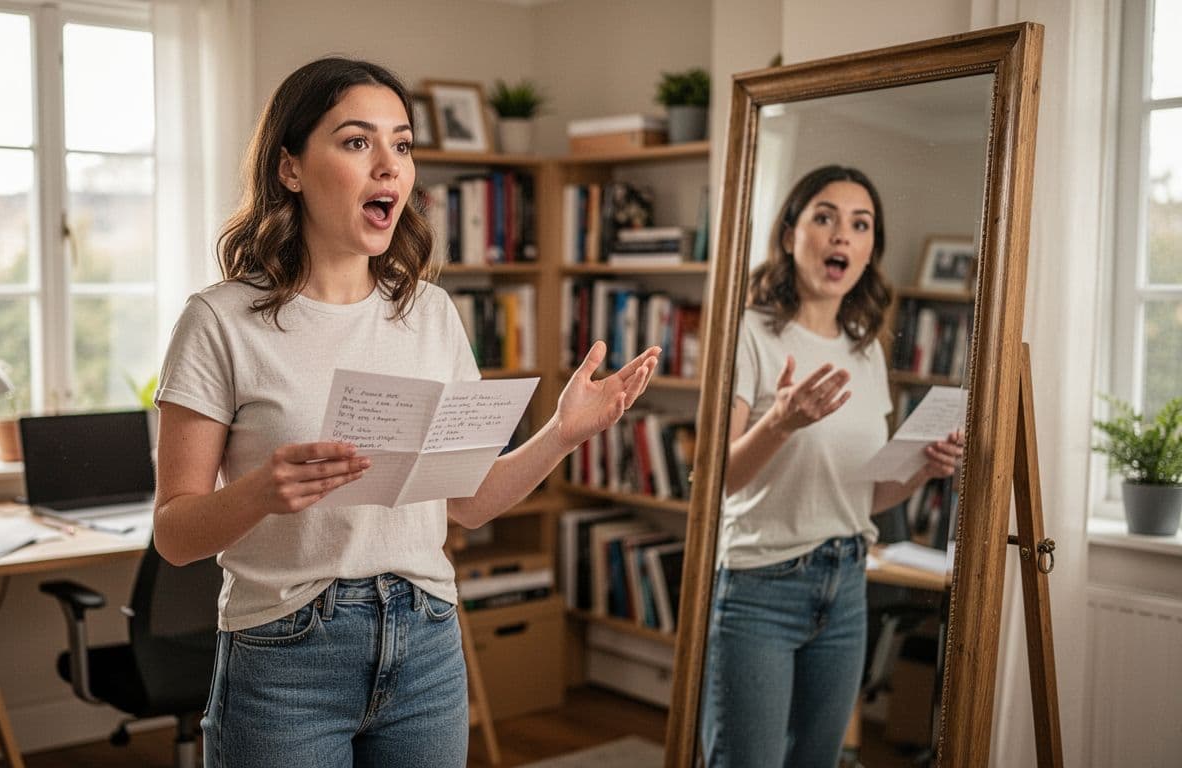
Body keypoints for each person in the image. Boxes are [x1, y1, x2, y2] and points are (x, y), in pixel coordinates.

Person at [151, 56, 660, 768]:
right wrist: (262, 491)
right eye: (358, 142)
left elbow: (471, 504)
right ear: (290, 168)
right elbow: (175, 534)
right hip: (284, 657)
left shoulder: (429, 313)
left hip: (425, 641)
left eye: (403, 143)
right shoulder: (219, 320)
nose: (389, 165)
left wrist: (564, 432)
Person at [697, 165, 963, 767]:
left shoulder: (865, 350)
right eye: (825, 217)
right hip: (758, 588)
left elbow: (861, 497)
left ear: (870, 252)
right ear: (791, 234)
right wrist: (781, 423)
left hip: (847, 584)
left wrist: (921, 472)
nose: (842, 235)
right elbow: (715, 481)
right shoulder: (747, 334)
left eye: (859, 224)